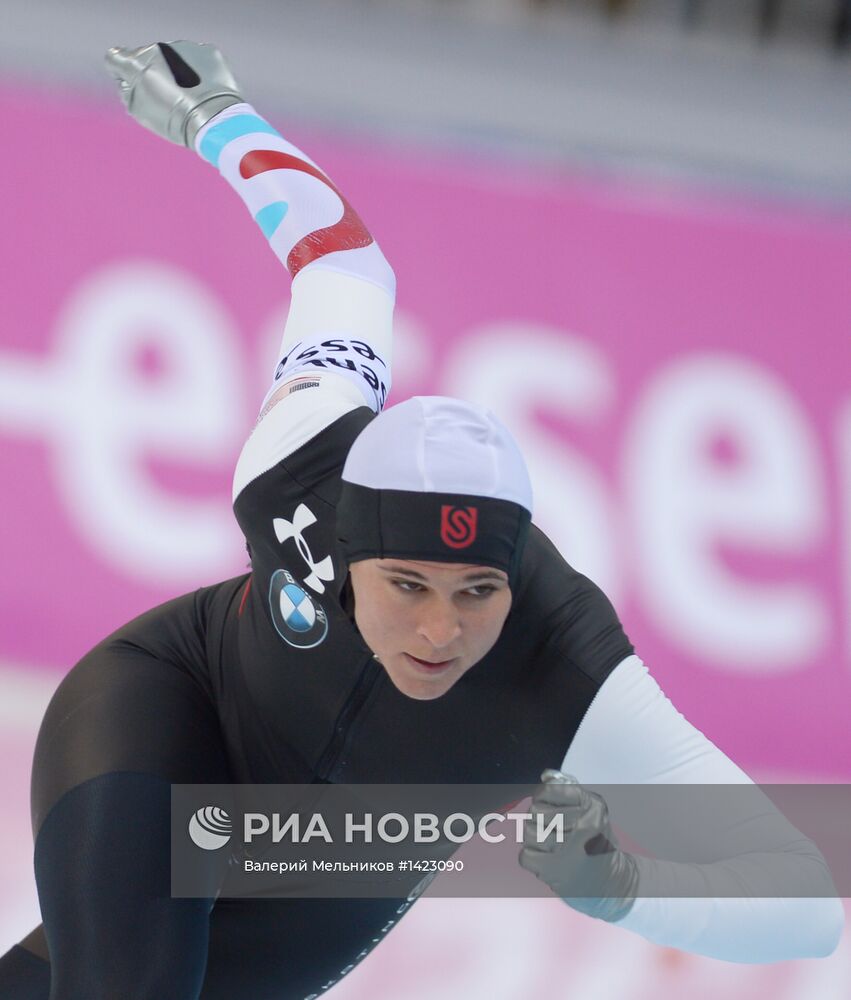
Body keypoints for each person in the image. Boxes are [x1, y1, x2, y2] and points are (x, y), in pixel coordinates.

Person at [0, 40, 843, 1000]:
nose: (441, 630)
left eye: (477, 592)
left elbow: (809, 905)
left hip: (332, 865)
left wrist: (623, 890)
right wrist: (214, 114)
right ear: (349, 548)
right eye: (407, 586)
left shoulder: (566, 665)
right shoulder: (300, 457)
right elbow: (346, 266)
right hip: (169, 713)